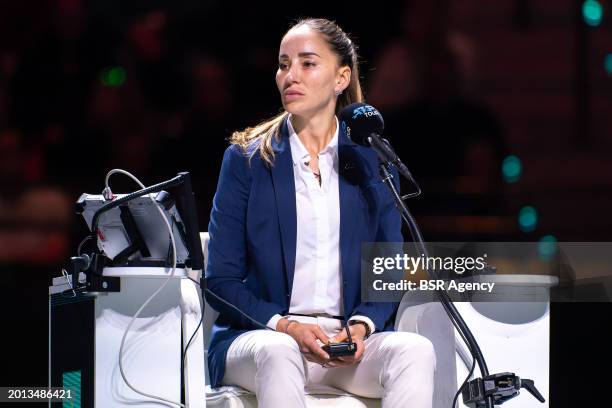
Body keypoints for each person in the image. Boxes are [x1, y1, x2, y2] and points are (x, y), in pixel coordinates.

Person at [204, 18, 436, 407]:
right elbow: (220, 280)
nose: (289, 75)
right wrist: (288, 326)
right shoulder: (246, 161)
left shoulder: (373, 163)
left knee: (415, 351)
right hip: (265, 336)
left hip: (344, 346)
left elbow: (387, 270)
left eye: (307, 63)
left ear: (341, 77)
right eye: (283, 64)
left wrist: (361, 328)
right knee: (278, 353)